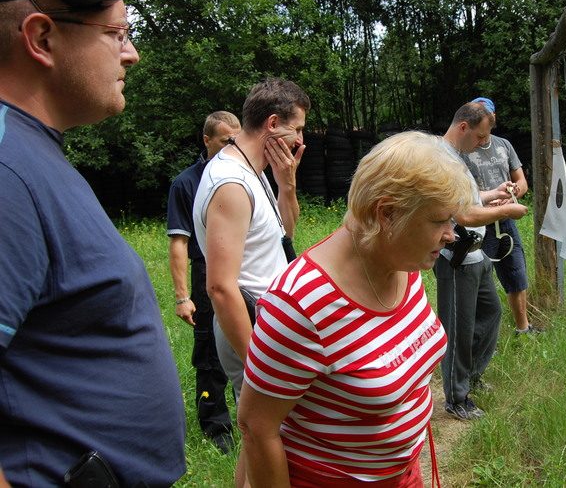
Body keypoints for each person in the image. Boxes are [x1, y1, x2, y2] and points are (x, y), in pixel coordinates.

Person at [0, 0, 185, 485]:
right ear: (42, 39)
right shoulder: (6, 171)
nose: (132, 53)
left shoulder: (33, 153)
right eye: (116, 33)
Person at [237, 131, 474, 486]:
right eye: (440, 220)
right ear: (387, 213)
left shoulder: (402, 261)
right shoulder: (300, 304)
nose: (451, 234)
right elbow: (257, 428)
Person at [193, 77, 309, 487]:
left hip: (267, 323)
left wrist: (286, 184)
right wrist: (258, 362)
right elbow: (220, 287)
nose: (300, 139)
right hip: (251, 324)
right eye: (297, 129)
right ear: (273, 124)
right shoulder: (231, 183)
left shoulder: (251, 169)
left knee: (255, 438)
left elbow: (285, 237)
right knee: (267, 441)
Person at [437, 102, 529, 421]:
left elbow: (469, 200)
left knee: (491, 313)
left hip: (476, 253)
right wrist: (507, 210)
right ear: (463, 127)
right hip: (457, 256)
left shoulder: (456, 155)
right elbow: (463, 214)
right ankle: (456, 398)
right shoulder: (443, 158)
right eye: (478, 137)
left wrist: (494, 194)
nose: (481, 143)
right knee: (459, 329)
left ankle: (471, 376)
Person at [167, 111, 240, 453]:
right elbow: (178, 243)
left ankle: (253, 415)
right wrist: (183, 297)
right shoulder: (186, 183)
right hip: (206, 272)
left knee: (250, 342)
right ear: (207, 140)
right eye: (226, 141)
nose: (232, 147)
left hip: (244, 269)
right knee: (210, 351)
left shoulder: (247, 174)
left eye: (236, 140)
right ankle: (216, 427)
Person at [464, 97, 537, 335]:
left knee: (517, 273)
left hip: (506, 220)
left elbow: (522, 182)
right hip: (478, 224)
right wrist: (488, 199)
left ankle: (523, 329)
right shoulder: (463, 149)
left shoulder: (504, 145)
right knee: (478, 280)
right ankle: (482, 339)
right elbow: (462, 194)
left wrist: (512, 195)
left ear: (492, 119)